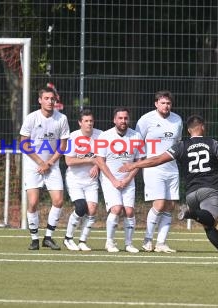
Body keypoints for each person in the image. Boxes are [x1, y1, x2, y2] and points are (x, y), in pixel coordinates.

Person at [120, 115, 218, 264]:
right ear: (203, 127)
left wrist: (134, 165)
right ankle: (190, 213)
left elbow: (156, 159)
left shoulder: (181, 145)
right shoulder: (213, 143)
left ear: (188, 130)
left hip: (191, 194)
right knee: (211, 221)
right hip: (210, 189)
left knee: (208, 226)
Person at [20, 86, 70, 250]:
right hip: (33, 165)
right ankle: (34, 239)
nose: (50, 101)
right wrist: (40, 162)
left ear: (56, 101)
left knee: (58, 200)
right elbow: (24, 144)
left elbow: (63, 145)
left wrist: (49, 163)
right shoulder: (31, 118)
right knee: (33, 202)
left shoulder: (61, 118)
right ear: (40, 100)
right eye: (46, 98)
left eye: (52, 99)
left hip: (52, 165)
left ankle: (48, 237)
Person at [135, 90, 183, 253]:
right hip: (153, 168)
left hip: (172, 168)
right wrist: (140, 162)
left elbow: (178, 143)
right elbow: (137, 141)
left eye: (168, 103)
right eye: (162, 103)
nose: (166, 106)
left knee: (170, 205)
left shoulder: (177, 120)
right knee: (160, 203)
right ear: (156, 104)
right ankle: (147, 239)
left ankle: (161, 243)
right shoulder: (146, 120)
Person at [94, 107, 144, 253]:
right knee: (116, 208)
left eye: (126, 118)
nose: (123, 121)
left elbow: (139, 161)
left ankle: (128, 244)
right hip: (110, 180)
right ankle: (109, 242)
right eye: (120, 118)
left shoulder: (136, 136)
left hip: (128, 180)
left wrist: (128, 179)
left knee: (129, 211)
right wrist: (114, 180)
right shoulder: (105, 136)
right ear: (114, 120)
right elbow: (100, 161)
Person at [62, 109, 101, 251]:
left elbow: (104, 157)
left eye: (91, 120)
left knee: (92, 209)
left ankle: (83, 241)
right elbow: (69, 161)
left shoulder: (100, 136)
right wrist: (90, 159)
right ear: (80, 123)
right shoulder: (73, 137)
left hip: (91, 181)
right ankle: (68, 238)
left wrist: (97, 165)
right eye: (86, 121)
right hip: (75, 180)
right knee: (80, 207)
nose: (89, 123)